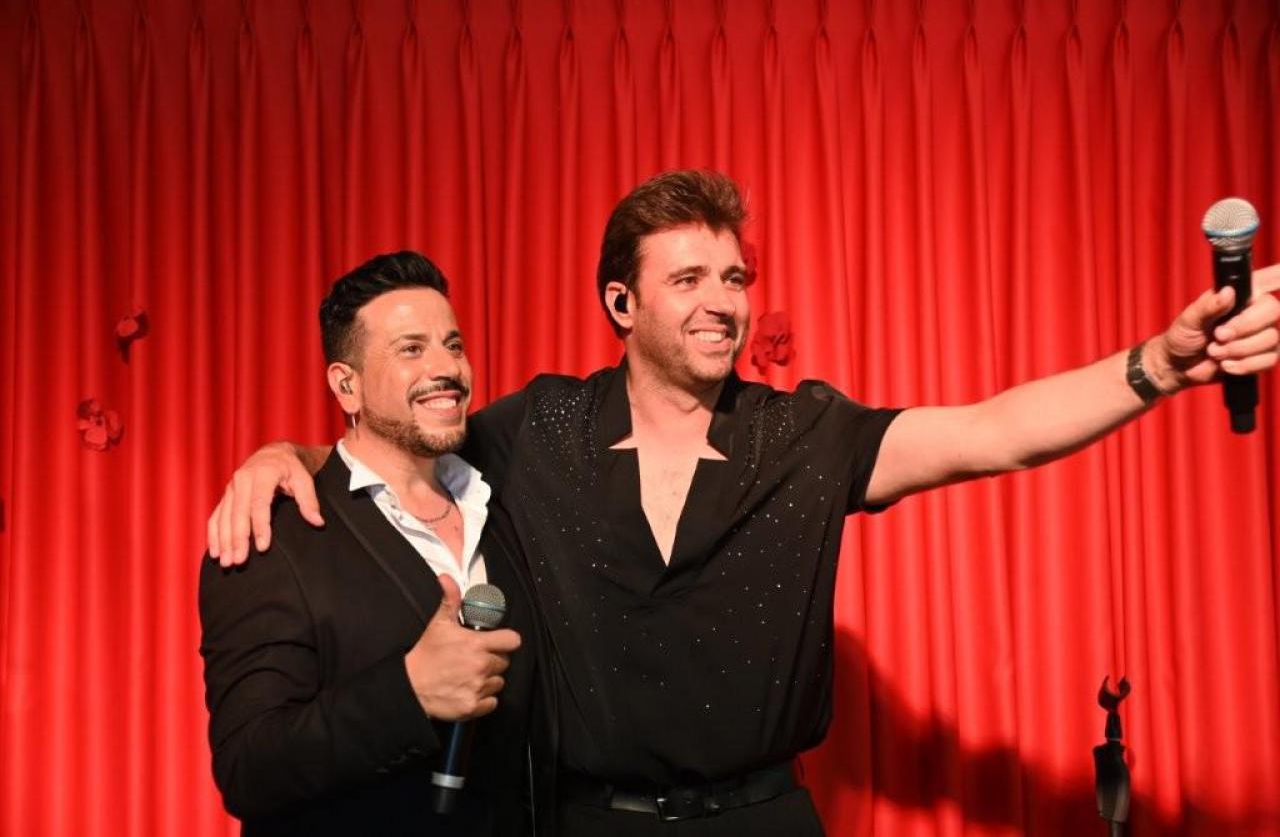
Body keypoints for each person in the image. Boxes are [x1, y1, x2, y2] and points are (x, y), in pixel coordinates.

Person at [206, 171, 1280, 835]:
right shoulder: (538, 429)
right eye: (688, 280)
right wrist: (283, 455)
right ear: (621, 301)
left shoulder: (801, 434)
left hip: (763, 819)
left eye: (733, 278)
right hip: (586, 826)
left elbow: (992, 431)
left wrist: (1157, 365)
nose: (722, 302)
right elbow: (405, 434)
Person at [199, 252, 539, 836]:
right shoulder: (273, 535)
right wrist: (409, 693)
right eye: (411, 349)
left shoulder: (501, 499)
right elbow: (249, 768)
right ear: (346, 385)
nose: (446, 368)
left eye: (453, 345)